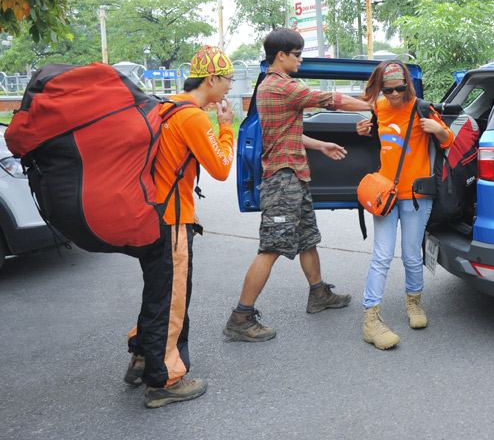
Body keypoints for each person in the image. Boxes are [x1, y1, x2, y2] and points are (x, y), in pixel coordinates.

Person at [223, 28, 371, 342]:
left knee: (307, 238)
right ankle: (241, 317)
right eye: (298, 54)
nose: (301, 59)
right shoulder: (281, 86)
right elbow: (328, 99)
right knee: (272, 248)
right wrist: (373, 106)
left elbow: (287, 133)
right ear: (282, 55)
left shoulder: (272, 86)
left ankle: (318, 294)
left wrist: (321, 146)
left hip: (295, 175)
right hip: (282, 180)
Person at [124, 45, 236, 408]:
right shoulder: (194, 118)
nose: (229, 88)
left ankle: (142, 357)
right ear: (212, 79)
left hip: (151, 214)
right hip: (171, 221)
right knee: (172, 301)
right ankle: (164, 380)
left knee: (156, 292)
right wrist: (225, 128)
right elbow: (220, 169)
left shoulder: (165, 106)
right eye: (228, 80)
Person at [355, 60, 454, 350]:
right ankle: (371, 320)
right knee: (381, 256)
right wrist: (364, 130)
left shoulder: (422, 108)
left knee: (411, 255)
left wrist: (438, 129)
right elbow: (383, 140)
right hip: (385, 194)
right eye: (388, 90)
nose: (394, 95)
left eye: (399, 89)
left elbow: (450, 141)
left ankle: (414, 304)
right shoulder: (380, 108)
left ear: (407, 85)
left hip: (416, 195)